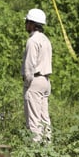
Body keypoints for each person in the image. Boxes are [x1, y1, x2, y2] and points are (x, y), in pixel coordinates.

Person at [21, 8, 52, 142]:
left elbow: (29, 65)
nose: (26, 24)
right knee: (44, 118)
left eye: (27, 22)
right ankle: (47, 147)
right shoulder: (45, 39)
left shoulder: (32, 41)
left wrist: (27, 83)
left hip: (35, 81)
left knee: (33, 121)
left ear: (33, 24)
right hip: (45, 81)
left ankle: (35, 152)